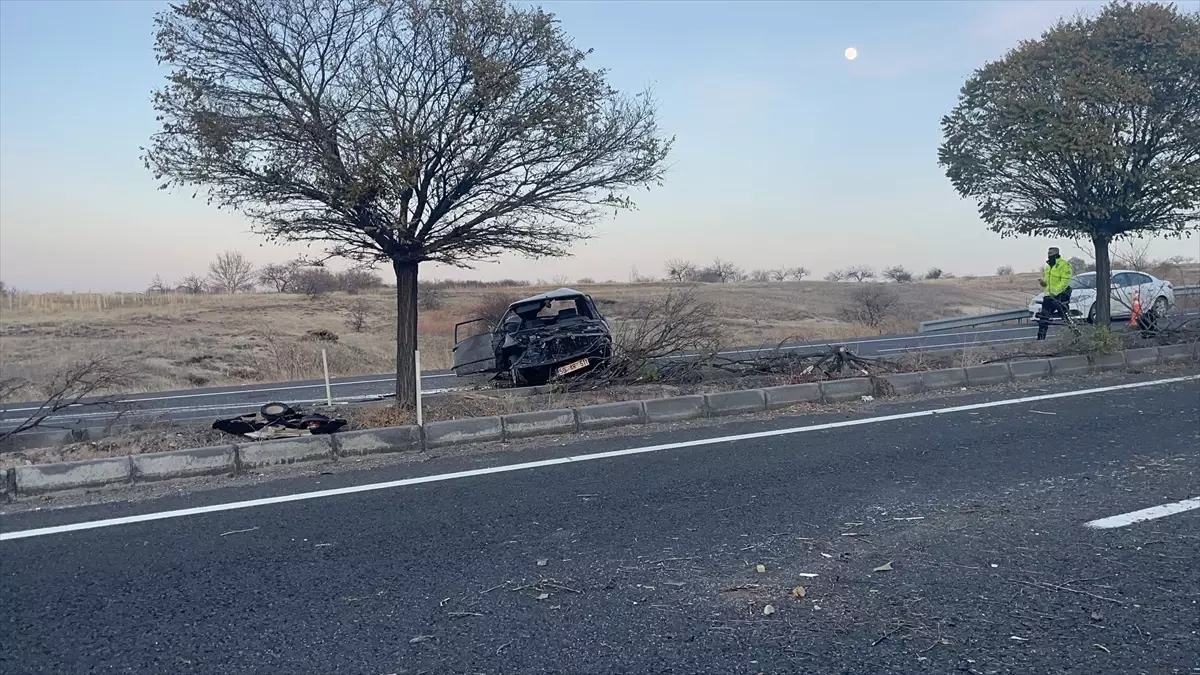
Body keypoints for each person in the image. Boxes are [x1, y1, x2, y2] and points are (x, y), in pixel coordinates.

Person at [1036, 246, 1074, 340]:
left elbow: (1065, 282)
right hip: (1049, 296)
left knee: (1066, 317)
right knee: (1044, 318)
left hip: (1061, 296)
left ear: (1056, 254)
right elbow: (1047, 283)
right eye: (1048, 254)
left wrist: (1055, 292)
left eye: (1051, 254)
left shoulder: (1064, 265)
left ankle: (1076, 334)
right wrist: (1043, 283)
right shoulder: (1048, 266)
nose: (1049, 256)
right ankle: (1040, 338)